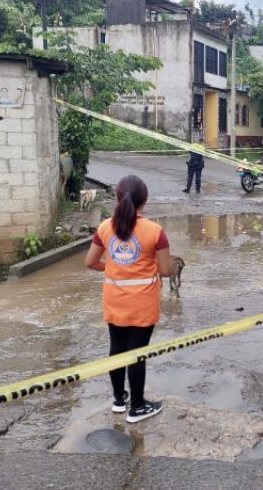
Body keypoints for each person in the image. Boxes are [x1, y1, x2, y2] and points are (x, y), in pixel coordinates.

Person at [85, 175, 174, 423]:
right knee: (137, 353)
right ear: (144, 201)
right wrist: (152, 265)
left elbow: (90, 262)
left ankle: (118, 400)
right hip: (143, 304)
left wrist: (116, 268)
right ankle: (137, 407)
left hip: (114, 301)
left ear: (117, 198)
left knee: (116, 349)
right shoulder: (154, 231)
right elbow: (166, 271)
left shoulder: (104, 228)